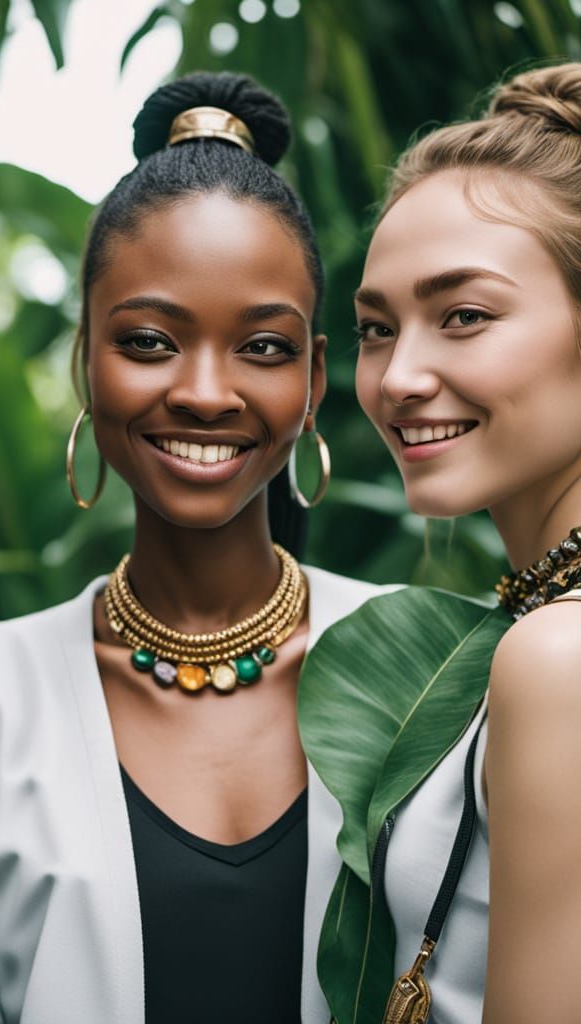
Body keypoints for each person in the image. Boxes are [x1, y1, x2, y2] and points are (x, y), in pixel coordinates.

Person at [0, 72, 385, 1024]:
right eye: (150, 341)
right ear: (86, 360)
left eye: (265, 347)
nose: (204, 391)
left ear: (317, 378)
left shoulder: (430, 677)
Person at [352, 63, 581, 1023]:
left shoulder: (556, 656)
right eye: (374, 328)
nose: (400, 376)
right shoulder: (532, 625)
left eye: (464, 317)